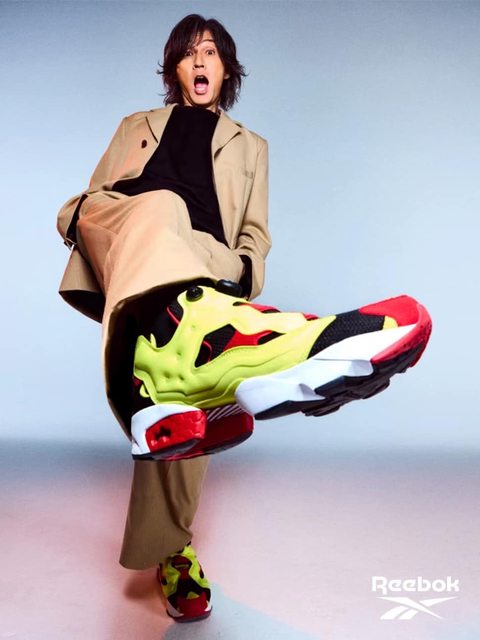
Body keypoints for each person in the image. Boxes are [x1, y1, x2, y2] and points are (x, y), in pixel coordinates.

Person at [57, 14, 431, 623]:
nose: (199, 61)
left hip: (201, 266)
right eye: (188, 53)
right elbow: (90, 199)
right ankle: (258, 343)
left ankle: (171, 538)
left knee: (184, 413)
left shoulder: (251, 146)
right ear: (174, 69)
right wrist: (83, 216)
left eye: (210, 52)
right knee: (161, 212)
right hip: (130, 233)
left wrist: (234, 269)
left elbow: (254, 239)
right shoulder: (136, 125)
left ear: (226, 69)